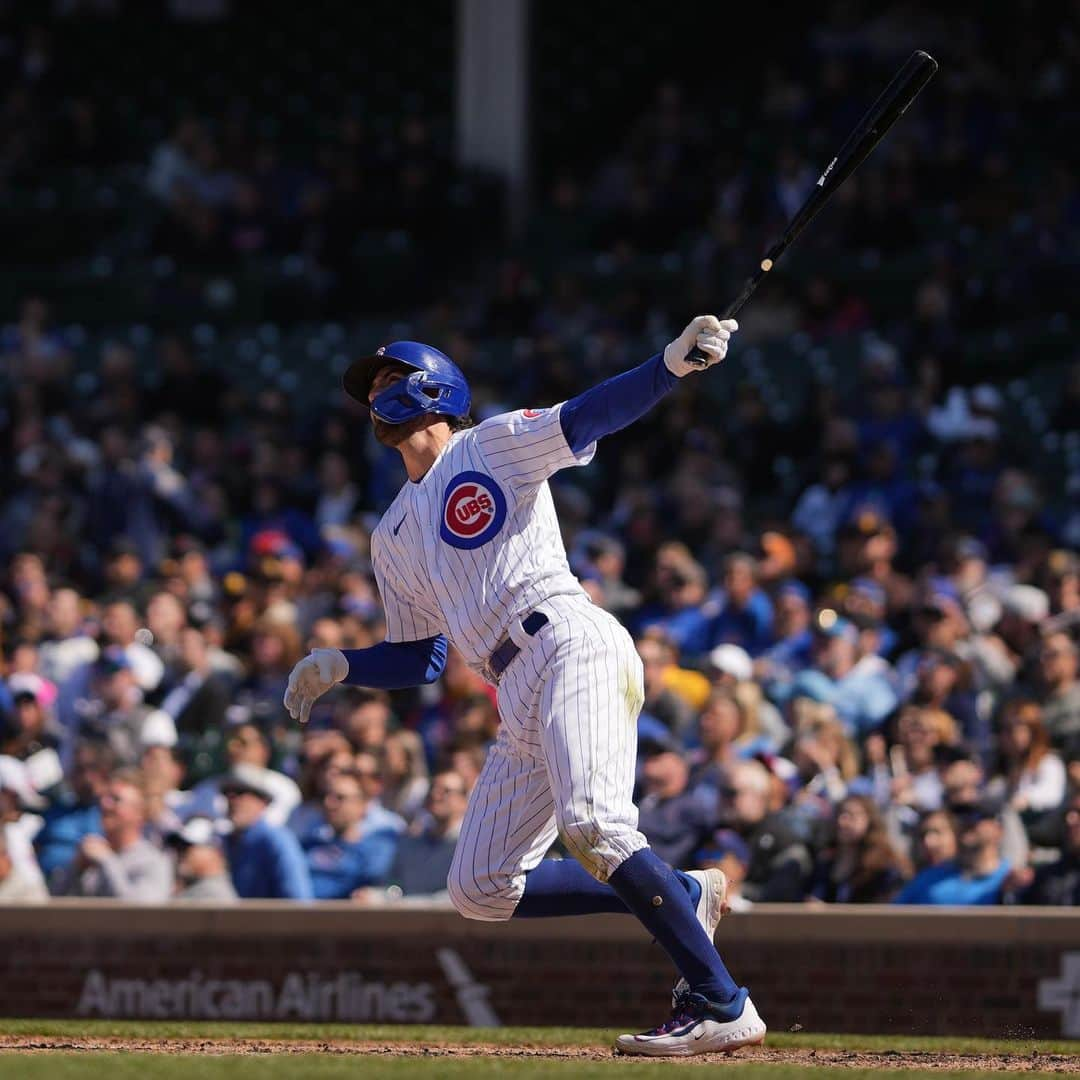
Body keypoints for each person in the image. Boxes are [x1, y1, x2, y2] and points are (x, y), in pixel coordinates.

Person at [283, 323, 766, 1055]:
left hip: (568, 639)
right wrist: (344, 665)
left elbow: (587, 415)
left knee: (597, 827)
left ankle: (722, 1001)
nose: (376, 393)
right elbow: (424, 659)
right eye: (370, 389)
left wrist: (669, 363)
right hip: (512, 684)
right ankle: (684, 894)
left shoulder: (488, 445)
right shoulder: (391, 534)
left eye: (388, 378)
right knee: (479, 887)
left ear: (435, 387)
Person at [54, 770, 173, 901]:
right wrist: (76, 868)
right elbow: (51, 907)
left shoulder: (153, 862)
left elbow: (139, 914)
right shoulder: (90, 856)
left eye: (116, 799)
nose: (105, 804)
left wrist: (106, 860)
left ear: (140, 812)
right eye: (104, 797)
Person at [300, 768, 404, 899]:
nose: (329, 803)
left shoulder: (377, 849)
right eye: (325, 796)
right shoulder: (308, 845)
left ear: (361, 805)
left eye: (339, 798)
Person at [221, 765, 312, 900]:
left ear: (262, 801)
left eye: (240, 792)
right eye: (227, 792)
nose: (232, 799)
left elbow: (298, 900)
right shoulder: (226, 841)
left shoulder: (276, 839)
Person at [894, 803, 1012, 905]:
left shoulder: (1012, 879)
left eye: (978, 816)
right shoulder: (929, 878)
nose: (968, 822)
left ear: (998, 829)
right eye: (964, 817)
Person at [809, 795, 909, 903]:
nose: (841, 821)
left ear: (869, 820)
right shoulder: (827, 860)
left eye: (851, 815)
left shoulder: (884, 866)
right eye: (840, 814)